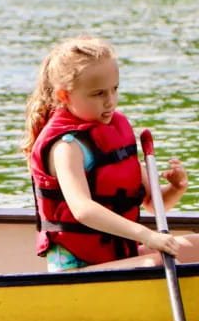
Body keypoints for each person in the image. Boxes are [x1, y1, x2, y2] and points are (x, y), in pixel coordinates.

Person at [22, 34, 199, 271]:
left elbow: (152, 204)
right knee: (159, 262)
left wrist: (176, 189)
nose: (110, 101)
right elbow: (83, 210)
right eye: (98, 94)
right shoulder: (67, 147)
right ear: (64, 95)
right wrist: (147, 236)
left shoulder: (114, 132)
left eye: (114, 89)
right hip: (76, 267)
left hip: (118, 256)